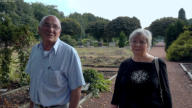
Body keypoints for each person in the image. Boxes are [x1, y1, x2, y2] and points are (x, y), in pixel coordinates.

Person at [25, 15, 85, 108]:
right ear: (39, 29)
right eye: (47, 25)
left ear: (59, 32)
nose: (51, 29)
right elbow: (33, 82)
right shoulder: (34, 51)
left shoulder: (69, 53)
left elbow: (76, 88)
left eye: (55, 27)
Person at [111, 28, 172, 108]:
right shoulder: (125, 64)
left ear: (148, 45)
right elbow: (117, 90)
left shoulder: (158, 64)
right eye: (134, 41)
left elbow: (165, 92)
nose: (137, 45)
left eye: (142, 42)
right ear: (130, 44)